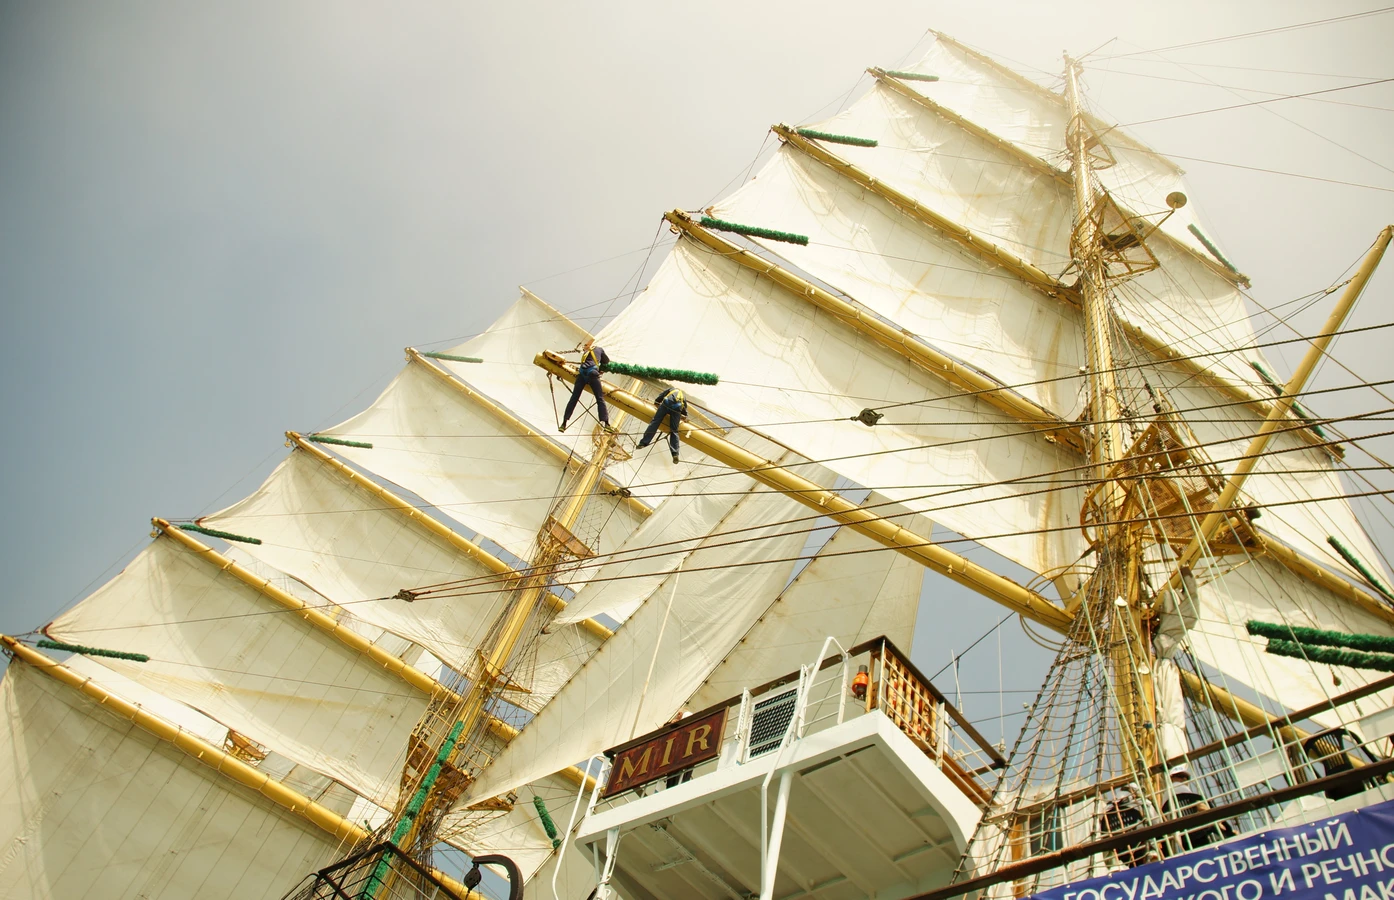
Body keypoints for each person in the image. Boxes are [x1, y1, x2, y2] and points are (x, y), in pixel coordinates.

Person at [559, 341, 612, 433]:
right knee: (599, 398)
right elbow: (606, 361)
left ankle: (563, 423)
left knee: (574, 398)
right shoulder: (599, 349)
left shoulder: (586, 352)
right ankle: (606, 424)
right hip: (593, 373)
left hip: (582, 374)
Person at [637, 387, 688, 463]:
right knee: (674, 430)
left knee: (655, 422)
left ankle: (643, 443)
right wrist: (684, 416)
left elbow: (660, 397)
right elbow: (684, 410)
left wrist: (656, 402)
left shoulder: (671, 389)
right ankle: (675, 454)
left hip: (666, 404)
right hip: (676, 408)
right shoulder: (683, 396)